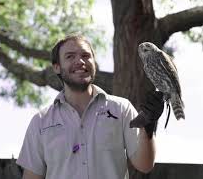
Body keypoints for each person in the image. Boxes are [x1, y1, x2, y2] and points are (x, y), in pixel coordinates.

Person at [16, 34, 164, 179]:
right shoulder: (41, 121)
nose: (80, 61)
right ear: (57, 67)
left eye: (86, 56)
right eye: (70, 56)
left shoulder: (121, 108)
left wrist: (148, 128)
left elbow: (145, 165)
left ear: (94, 63)